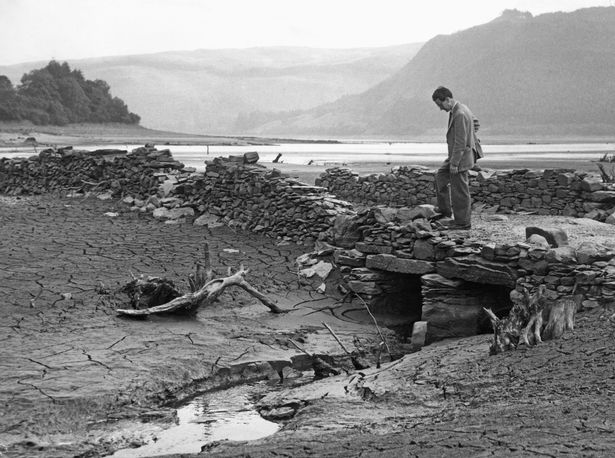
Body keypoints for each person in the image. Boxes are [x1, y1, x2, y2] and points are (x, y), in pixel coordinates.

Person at [431, 86, 477, 230]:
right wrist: (470, 135)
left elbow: (460, 142)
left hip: (460, 158)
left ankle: (463, 223)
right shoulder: (461, 109)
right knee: (440, 176)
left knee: (460, 191)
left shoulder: (460, 114)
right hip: (456, 155)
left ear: (448, 100)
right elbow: (476, 123)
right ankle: (445, 211)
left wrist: (455, 163)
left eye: (440, 104)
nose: (440, 108)